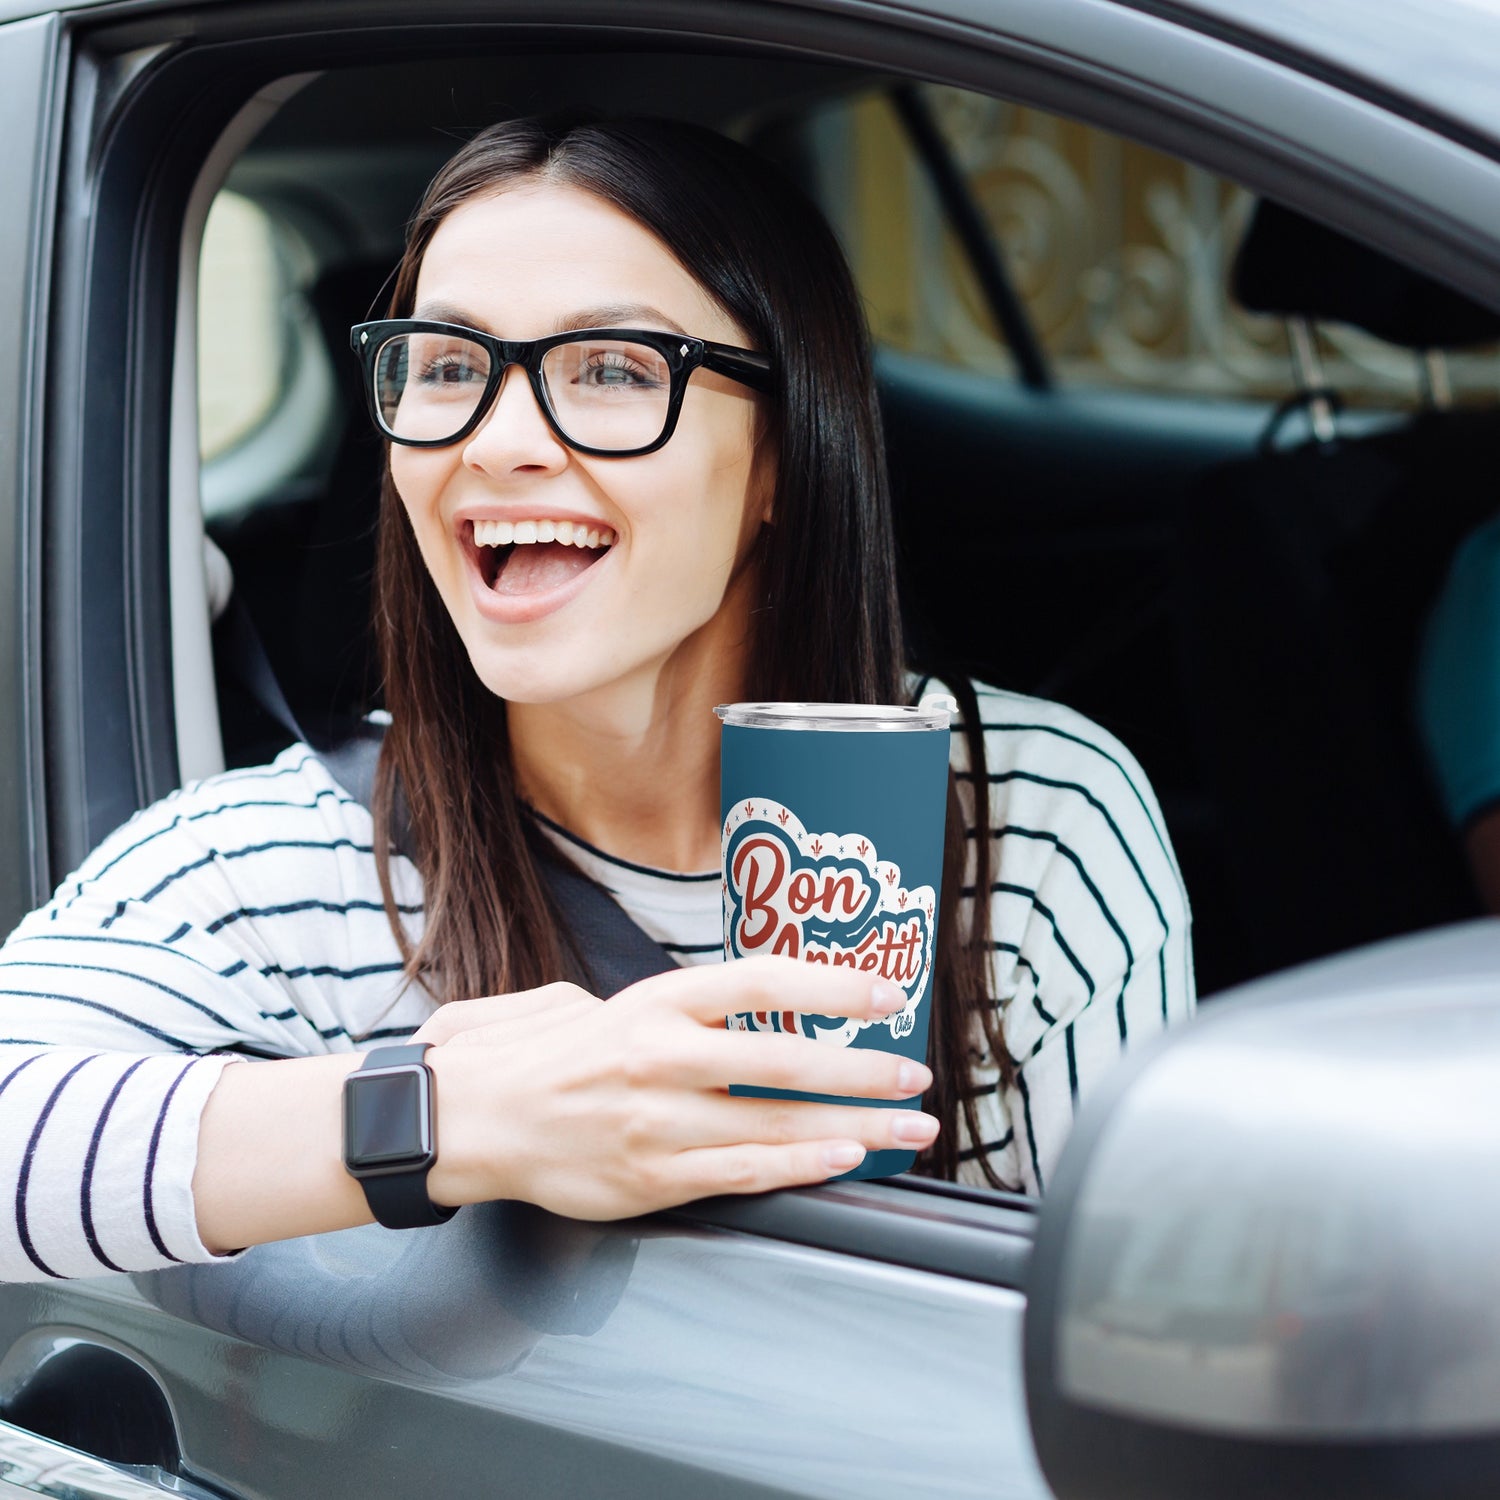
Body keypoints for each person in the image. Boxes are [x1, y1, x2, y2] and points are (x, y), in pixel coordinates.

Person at [0, 117, 1193, 1282]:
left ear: (785, 450)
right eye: (452, 367)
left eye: (615, 368)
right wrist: (452, 1115)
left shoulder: (1028, 818)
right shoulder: (279, 866)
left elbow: (1152, 1328)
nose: (502, 440)